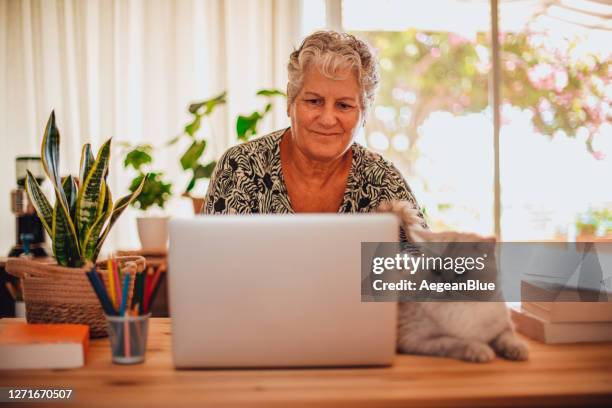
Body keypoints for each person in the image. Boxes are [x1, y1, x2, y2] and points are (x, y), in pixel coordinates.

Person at [203, 30, 426, 227]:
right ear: (291, 102)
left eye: (344, 105)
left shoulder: (383, 181)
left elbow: (428, 268)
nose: (328, 119)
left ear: (363, 113)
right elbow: (209, 264)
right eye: (314, 101)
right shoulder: (240, 167)